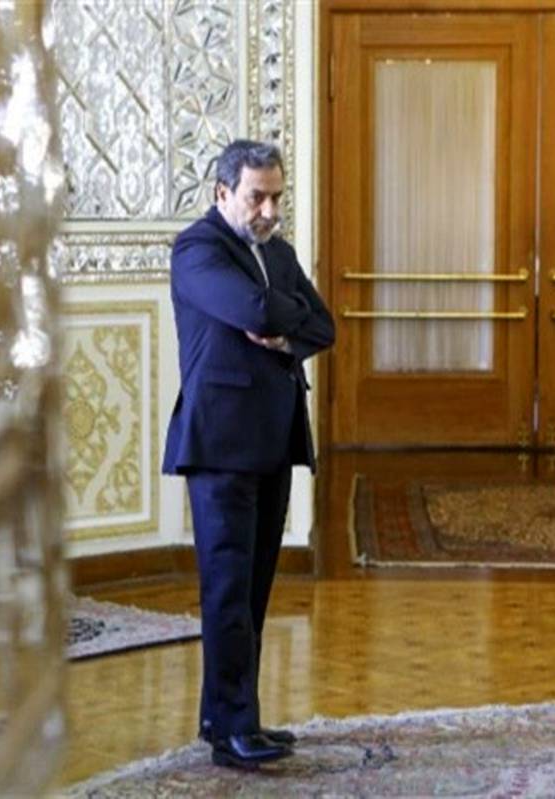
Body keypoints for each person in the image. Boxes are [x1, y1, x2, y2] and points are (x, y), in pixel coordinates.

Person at [162, 139, 335, 769]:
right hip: (222, 444)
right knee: (228, 592)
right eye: (257, 197)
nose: (269, 211)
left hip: (274, 438)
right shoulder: (198, 249)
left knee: (254, 589)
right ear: (223, 192)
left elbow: (323, 325)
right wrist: (284, 316)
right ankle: (233, 729)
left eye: (277, 198)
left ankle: (232, 717)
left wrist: (283, 329)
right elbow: (254, 308)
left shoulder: (278, 253)